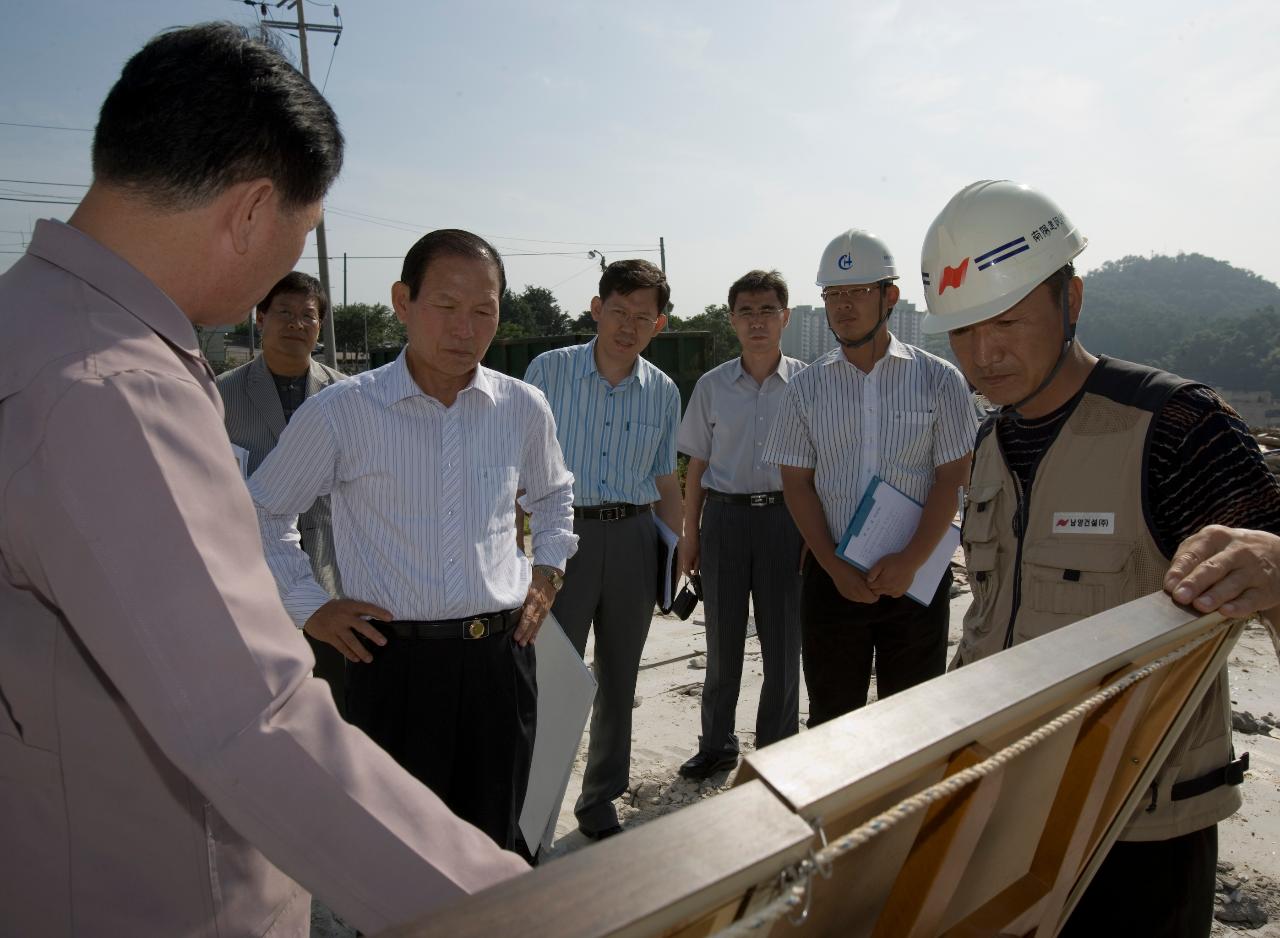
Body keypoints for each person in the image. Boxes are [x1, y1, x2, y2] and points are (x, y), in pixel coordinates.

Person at [0, 24, 528, 937]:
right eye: (301, 234)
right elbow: (253, 723)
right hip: (156, 897)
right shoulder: (115, 388)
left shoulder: (31, 324)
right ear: (250, 212)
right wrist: (524, 911)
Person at [919, 179, 1280, 937]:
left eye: (1009, 321)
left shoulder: (1181, 428)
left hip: (1139, 836)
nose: (985, 355)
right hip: (999, 807)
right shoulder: (987, 444)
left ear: (1072, 298)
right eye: (962, 332)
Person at [252, 228, 575, 861]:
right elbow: (260, 511)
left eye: (484, 309)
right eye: (446, 305)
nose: (466, 326)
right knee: (400, 858)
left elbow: (555, 497)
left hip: (500, 661)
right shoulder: (345, 411)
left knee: (498, 848)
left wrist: (548, 572)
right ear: (403, 301)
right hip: (393, 663)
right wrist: (307, 604)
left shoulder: (521, 406)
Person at [763, 230, 977, 727]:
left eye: (858, 291)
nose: (844, 306)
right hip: (833, 576)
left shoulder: (938, 379)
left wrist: (910, 560)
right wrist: (832, 565)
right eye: (833, 294)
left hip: (916, 576)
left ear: (890, 296)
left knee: (913, 718)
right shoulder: (806, 388)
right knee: (833, 721)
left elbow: (952, 477)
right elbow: (796, 482)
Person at [524, 259, 683, 839]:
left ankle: (599, 800)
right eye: (619, 311)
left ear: (658, 324)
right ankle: (534, 809)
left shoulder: (664, 391)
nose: (628, 325)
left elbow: (667, 480)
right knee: (550, 673)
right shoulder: (548, 372)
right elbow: (518, 464)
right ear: (597, 309)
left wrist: (678, 549)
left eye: (643, 317)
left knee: (621, 674)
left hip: (635, 539)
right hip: (561, 538)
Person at [675, 269, 806, 780]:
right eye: (746, 312)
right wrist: (691, 534)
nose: (757, 322)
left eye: (767, 310)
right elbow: (697, 469)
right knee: (721, 643)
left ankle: (776, 750)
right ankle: (716, 744)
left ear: (785, 317)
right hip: (724, 520)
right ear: (732, 320)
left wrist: (814, 537)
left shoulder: (807, 384)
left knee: (782, 644)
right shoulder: (712, 386)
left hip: (786, 521)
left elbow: (819, 468)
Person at [217, 270, 348, 711]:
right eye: (285, 313)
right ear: (261, 317)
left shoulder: (345, 395)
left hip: (331, 563)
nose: (296, 323)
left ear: (319, 326)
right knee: (258, 690)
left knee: (336, 689)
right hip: (252, 564)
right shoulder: (223, 394)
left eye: (307, 316)